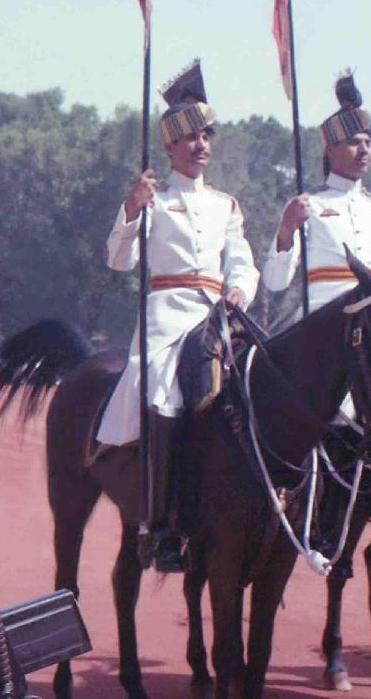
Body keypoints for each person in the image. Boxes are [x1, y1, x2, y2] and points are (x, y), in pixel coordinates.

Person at [97, 60, 259, 572]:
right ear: (169, 147)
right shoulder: (155, 199)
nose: (200, 145)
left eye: (206, 135)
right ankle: (161, 522)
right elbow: (119, 260)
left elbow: (242, 262)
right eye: (190, 137)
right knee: (160, 389)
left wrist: (240, 289)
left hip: (217, 316)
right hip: (167, 319)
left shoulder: (225, 205)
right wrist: (131, 209)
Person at [263, 73, 371, 313]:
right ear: (331, 150)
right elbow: (274, 282)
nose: (364, 150)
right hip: (322, 316)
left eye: (368, 143)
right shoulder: (308, 205)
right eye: (354, 143)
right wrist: (287, 229)